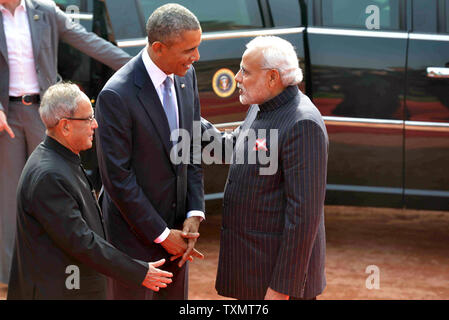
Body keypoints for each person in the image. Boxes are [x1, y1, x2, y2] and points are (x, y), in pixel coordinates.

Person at [0, 0, 131, 285]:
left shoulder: (45, 11)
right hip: (5, 116)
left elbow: (88, 41)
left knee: (60, 182)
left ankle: (61, 263)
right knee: (9, 195)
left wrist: (136, 66)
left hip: (46, 112)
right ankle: (11, 276)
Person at [7, 83, 173, 299]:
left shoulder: (60, 159)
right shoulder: (50, 175)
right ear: (65, 126)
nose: (95, 125)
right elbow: (82, 242)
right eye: (88, 119)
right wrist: (138, 272)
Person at [201, 36, 328, 300]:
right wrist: (184, 117)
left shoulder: (303, 124)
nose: (236, 77)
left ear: (272, 77)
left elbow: (303, 217)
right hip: (253, 272)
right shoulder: (262, 105)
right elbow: (234, 147)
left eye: (245, 71)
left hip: (276, 283)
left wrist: (282, 288)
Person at [95, 4, 205, 300]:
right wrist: (160, 233)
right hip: (133, 242)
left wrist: (194, 212)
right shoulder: (116, 95)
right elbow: (118, 179)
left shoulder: (187, 75)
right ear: (158, 47)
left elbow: (191, 146)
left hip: (179, 236)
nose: (196, 57)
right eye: (189, 50)